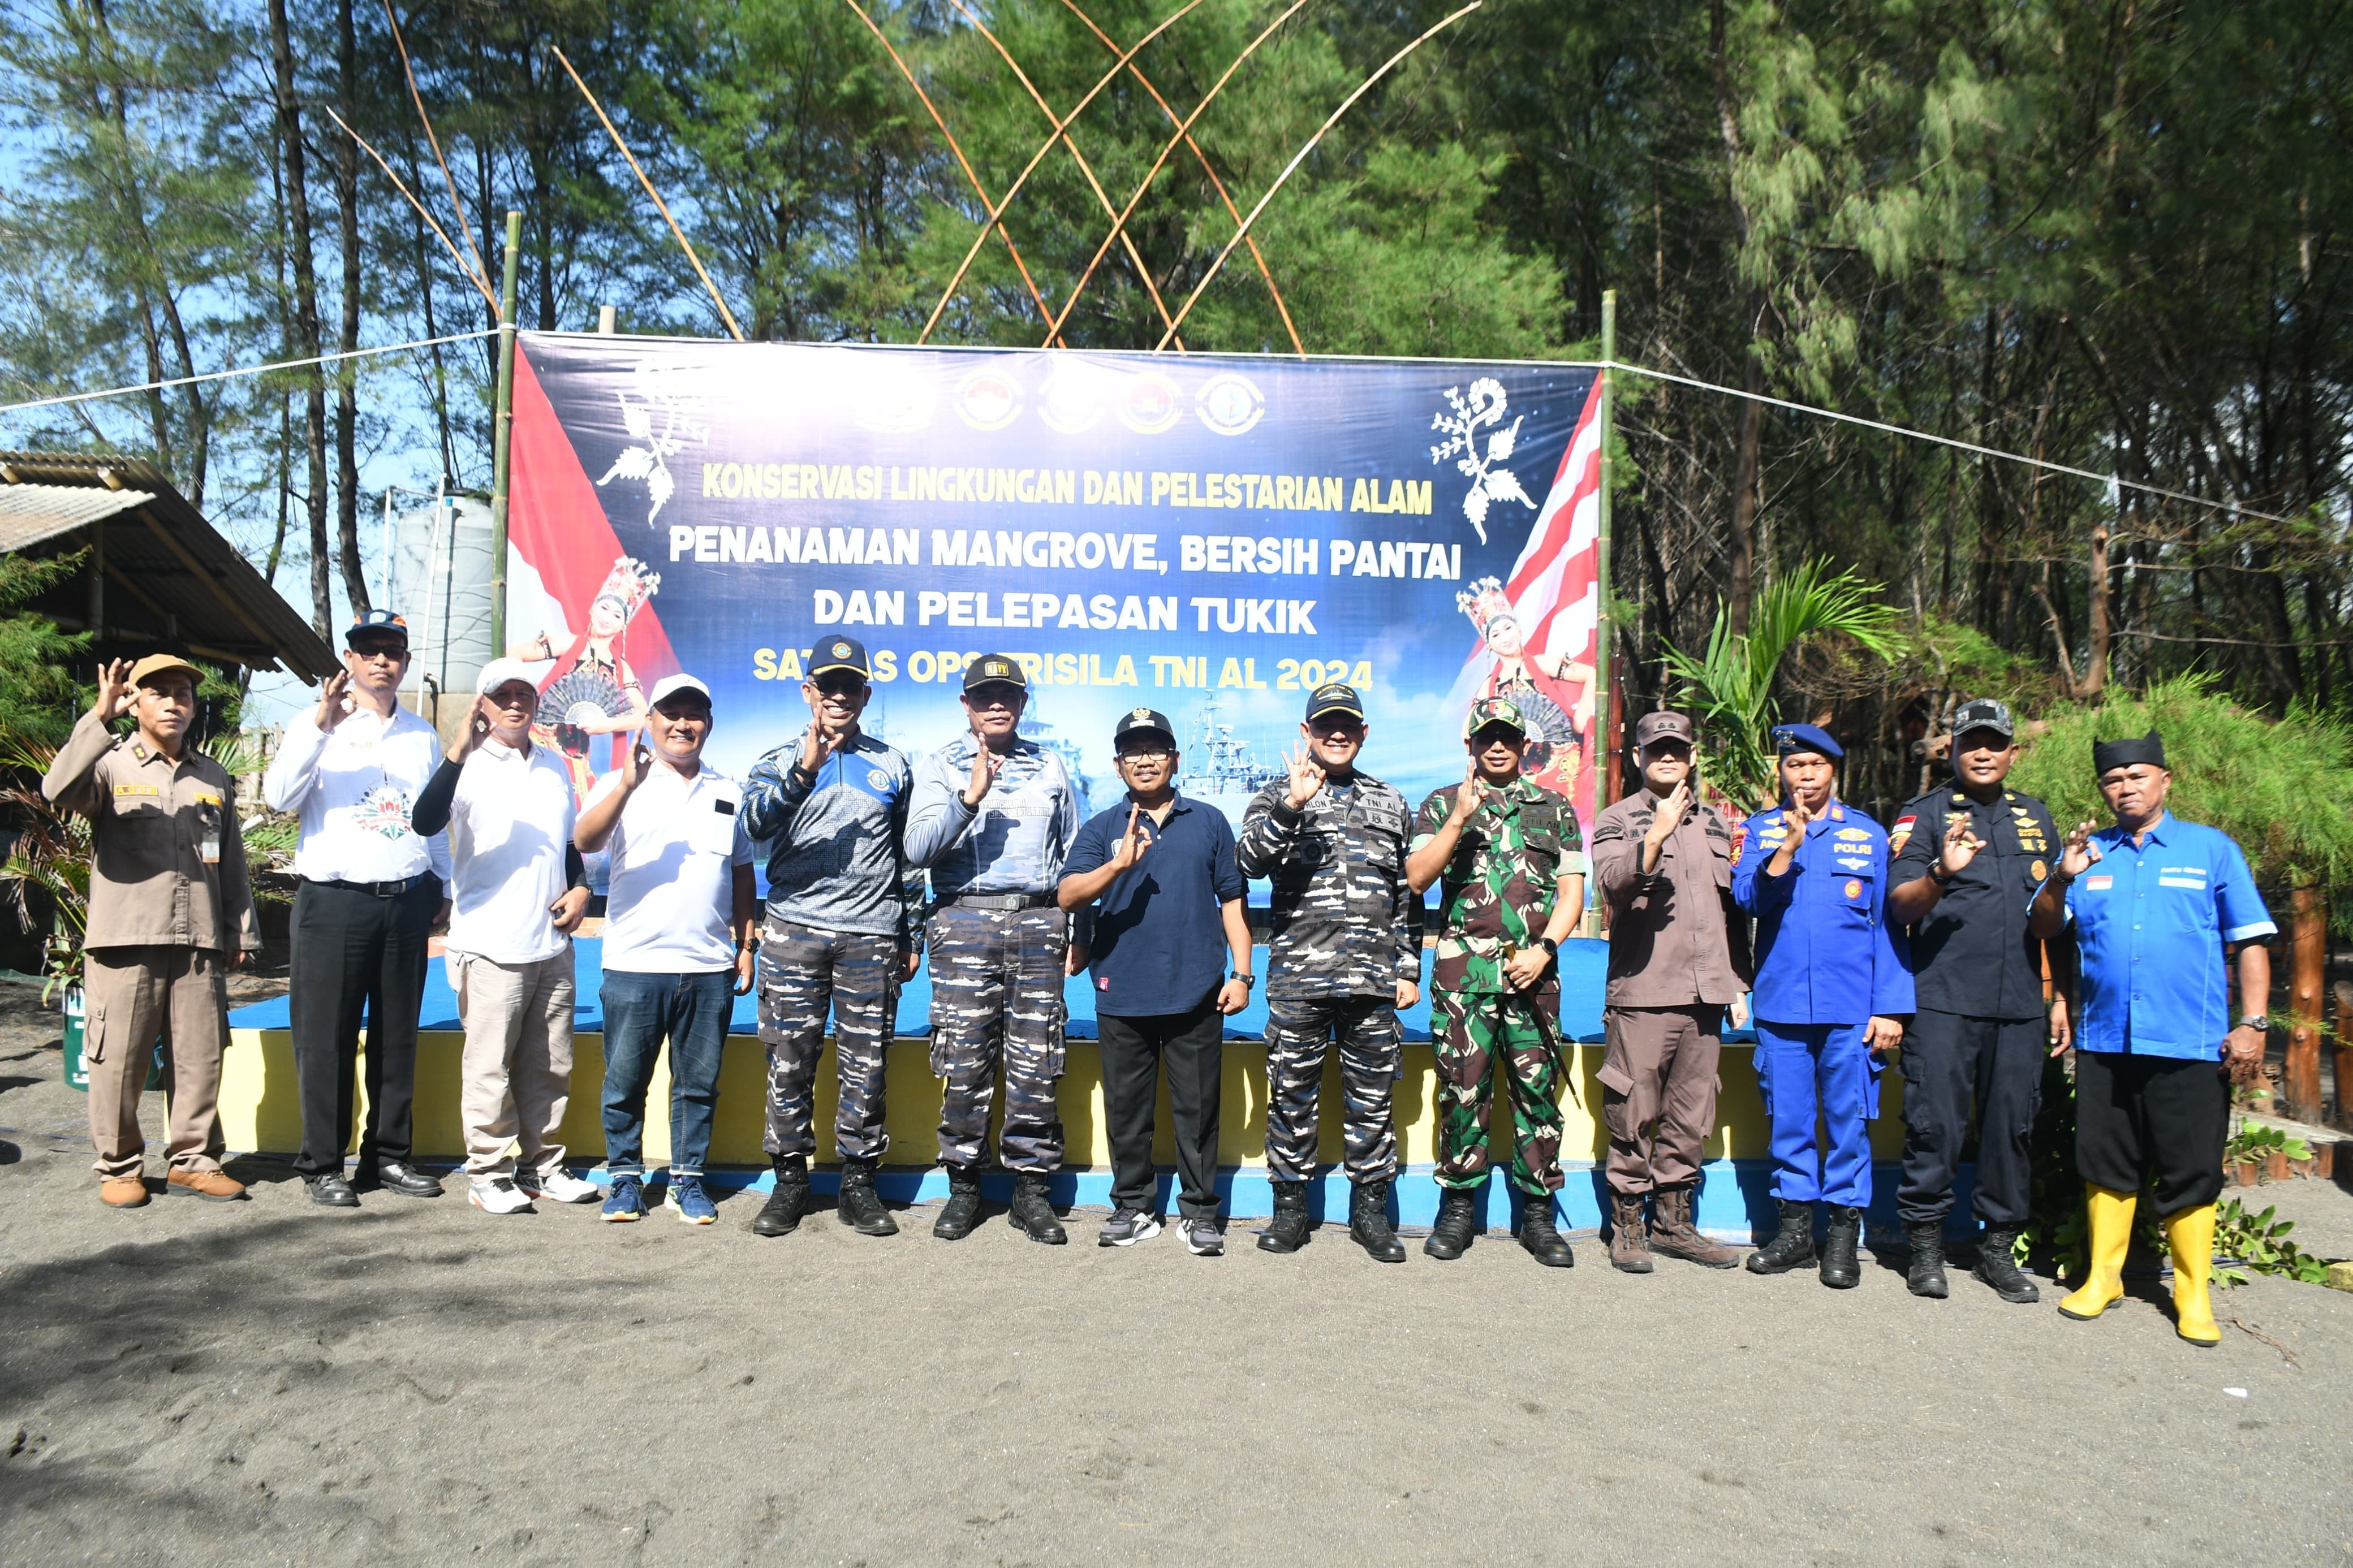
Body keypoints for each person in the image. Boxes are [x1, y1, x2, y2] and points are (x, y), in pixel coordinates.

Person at [2029, 731, 2275, 1348]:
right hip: (2106, 1040)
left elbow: (2249, 940)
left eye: (2137, 776)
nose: (2125, 788)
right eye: (2113, 780)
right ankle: (2103, 1277)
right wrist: (2061, 876)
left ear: (2165, 779)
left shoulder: (2210, 850)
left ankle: (2192, 1292)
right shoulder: (2088, 855)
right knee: (2104, 1160)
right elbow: (2044, 925)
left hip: (2188, 1042)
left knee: (2191, 1166)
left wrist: (2252, 1022)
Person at [42, 654, 261, 1207]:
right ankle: (120, 1167)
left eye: (182, 693)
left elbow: (229, 858)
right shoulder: (110, 764)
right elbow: (57, 789)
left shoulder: (211, 776)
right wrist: (98, 717)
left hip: (198, 938)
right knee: (117, 1059)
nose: (172, 703)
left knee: (201, 1056)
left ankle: (194, 1161)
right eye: (158, 692)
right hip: (126, 938)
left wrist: (240, 930)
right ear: (135, 701)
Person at [261, 610, 452, 1208]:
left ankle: (388, 1155)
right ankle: (322, 1163)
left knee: (398, 1037)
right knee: (326, 1039)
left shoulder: (421, 733)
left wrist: (442, 883)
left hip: (405, 900)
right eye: (368, 650)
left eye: (391, 651)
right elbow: (278, 797)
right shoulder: (316, 722)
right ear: (349, 659)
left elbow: (433, 815)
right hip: (334, 902)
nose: (380, 660)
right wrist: (322, 725)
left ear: (406, 662)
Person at [740, 638, 920, 1239]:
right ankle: (790, 1181)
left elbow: (907, 859)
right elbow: (753, 825)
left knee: (866, 1064)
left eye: (850, 686)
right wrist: (803, 772)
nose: (839, 696)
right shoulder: (776, 760)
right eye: (827, 685)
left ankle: (858, 1184)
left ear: (865, 695)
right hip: (794, 931)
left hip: (871, 935)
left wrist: (911, 931)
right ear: (807, 692)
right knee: (789, 1059)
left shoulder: (893, 764)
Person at [1886, 698, 2063, 1302]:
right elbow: (1899, 906)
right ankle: (1925, 1248)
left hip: (2019, 1002)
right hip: (1943, 999)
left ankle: (1997, 1250)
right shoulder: (1924, 814)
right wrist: (1940, 871)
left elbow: (2050, 923)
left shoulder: (2036, 816)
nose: (1982, 753)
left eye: (1994, 743)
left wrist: (2059, 995)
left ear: (2013, 751)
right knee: (1933, 1126)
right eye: (1970, 743)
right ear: (1953, 751)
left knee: (2011, 1127)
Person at [1058, 707, 1253, 1256]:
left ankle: (1199, 1212)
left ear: (1174, 759)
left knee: (1198, 1110)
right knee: (1127, 1111)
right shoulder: (1102, 828)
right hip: (1121, 990)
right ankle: (1134, 1207)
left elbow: (1232, 902)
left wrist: (1242, 974)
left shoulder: (1210, 821)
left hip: (1198, 990)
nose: (1144, 760)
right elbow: (1069, 895)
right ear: (1118, 764)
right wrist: (1117, 865)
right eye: (1132, 751)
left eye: (1155, 749)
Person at [1236, 683, 1421, 1263]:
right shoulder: (1275, 794)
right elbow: (1249, 863)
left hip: (1373, 980)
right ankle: (1290, 1209)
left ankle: (1370, 1214)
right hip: (1300, 979)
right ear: (1306, 732)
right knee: (1291, 1096)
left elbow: (1406, 892)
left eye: (1346, 725)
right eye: (1324, 725)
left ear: (1363, 733)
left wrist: (1408, 967)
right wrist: (1292, 807)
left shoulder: (1391, 801)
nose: (1336, 734)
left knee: (1373, 1101)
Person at [905, 654, 1085, 1244]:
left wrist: (1077, 928)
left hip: (1037, 923)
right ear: (966, 704)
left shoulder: (1050, 764)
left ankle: (1031, 1191)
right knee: (964, 1058)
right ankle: (964, 1185)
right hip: (965, 923)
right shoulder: (940, 764)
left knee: (1037, 1060)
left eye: (1008, 695)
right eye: (984, 696)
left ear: (1023, 702)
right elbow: (917, 849)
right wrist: (968, 797)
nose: (997, 704)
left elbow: (1074, 854)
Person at [408, 659, 595, 1216]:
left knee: (550, 1065)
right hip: (490, 944)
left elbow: (567, 844)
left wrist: (581, 887)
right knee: (490, 1068)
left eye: (523, 694)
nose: (515, 703)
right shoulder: (466, 764)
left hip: (551, 943)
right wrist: (457, 752)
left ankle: (544, 1166)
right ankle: (488, 1171)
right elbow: (424, 821)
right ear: (483, 704)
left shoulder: (554, 764)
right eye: (502, 694)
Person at [1731, 723, 1914, 1288]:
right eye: (1794, 765)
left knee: (1848, 1123)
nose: (1804, 776)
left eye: (1815, 765)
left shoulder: (1867, 834)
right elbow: (1746, 898)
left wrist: (1890, 1007)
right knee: (1788, 1121)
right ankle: (1793, 1234)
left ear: (1833, 770)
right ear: (1781, 771)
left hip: (1849, 1008)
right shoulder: (1759, 830)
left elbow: (1888, 926)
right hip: (1782, 1005)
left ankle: (1841, 1238)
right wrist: (1787, 847)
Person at [1403, 697, 1584, 1268]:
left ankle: (1538, 1214)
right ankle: (1458, 1207)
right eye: (1487, 737)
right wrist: (1460, 817)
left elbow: (1572, 893)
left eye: (1508, 736)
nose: (1498, 746)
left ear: (1525, 744)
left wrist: (1544, 949)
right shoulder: (1440, 803)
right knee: (1462, 1091)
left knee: (1536, 1093)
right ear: (1471, 745)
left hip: (1534, 975)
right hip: (1464, 978)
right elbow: (1416, 877)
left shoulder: (1554, 807)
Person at [576, 672, 757, 1226]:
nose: (682, 724)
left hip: (708, 967)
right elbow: (585, 840)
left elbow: (741, 871)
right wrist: (626, 787)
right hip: (634, 964)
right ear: (651, 720)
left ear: (709, 724)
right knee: (624, 1083)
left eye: (693, 714)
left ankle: (687, 1179)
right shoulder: (620, 781)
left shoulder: (728, 790)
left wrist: (746, 944)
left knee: (697, 1085)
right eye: (670, 714)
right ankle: (625, 1179)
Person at [1587, 709, 1752, 1273]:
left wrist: (1736, 981)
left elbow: (1728, 912)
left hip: (1705, 997)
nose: (1666, 756)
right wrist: (1655, 834)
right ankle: (1628, 1226)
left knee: (1689, 1118)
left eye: (1676, 748)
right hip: (1643, 993)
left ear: (1691, 756)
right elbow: (1612, 884)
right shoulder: (1617, 818)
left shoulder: (1716, 823)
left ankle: (1673, 1224)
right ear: (1638, 756)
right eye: (1655, 748)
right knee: (1632, 1115)